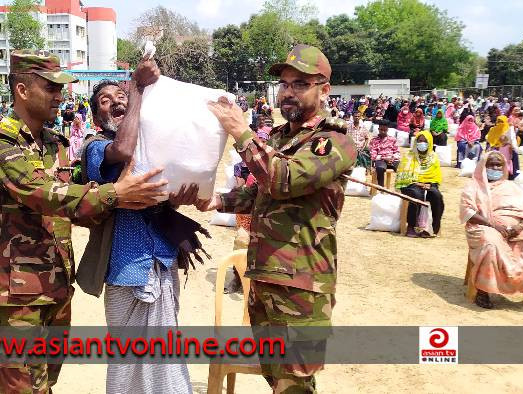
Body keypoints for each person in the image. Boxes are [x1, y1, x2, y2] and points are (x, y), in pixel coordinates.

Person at [0, 50, 167, 394]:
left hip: (57, 286)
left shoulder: (56, 145)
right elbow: (43, 193)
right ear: (22, 90)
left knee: (45, 382)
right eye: (51, 88)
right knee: (20, 388)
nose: (60, 96)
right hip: (16, 294)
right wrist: (115, 194)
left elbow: (81, 202)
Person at [198, 44, 356, 393]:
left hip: (301, 287)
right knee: (276, 378)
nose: (287, 92)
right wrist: (217, 200)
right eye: (284, 83)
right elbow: (262, 193)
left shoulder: (335, 141)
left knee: (295, 384)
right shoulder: (281, 137)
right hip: (266, 280)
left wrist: (242, 133)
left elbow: (283, 180)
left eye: (300, 83)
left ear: (324, 90)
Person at [76, 70, 205, 393]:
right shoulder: (96, 146)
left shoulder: (153, 147)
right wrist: (135, 92)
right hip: (125, 269)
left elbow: (171, 183)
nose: (117, 103)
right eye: (106, 101)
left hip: (162, 260)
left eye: (121, 98)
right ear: (95, 116)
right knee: (127, 362)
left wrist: (184, 193)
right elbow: (122, 149)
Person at [461, 151, 523, 311]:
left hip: (517, 229)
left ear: (505, 167)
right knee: (490, 244)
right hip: (486, 227)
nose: (495, 168)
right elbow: (468, 212)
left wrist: (520, 226)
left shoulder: (512, 186)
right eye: (491, 164)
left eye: (499, 165)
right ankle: (483, 290)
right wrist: (494, 226)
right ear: (484, 166)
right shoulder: (474, 186)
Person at [395, 131, 444, 237]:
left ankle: (432, 227)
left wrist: (430, 185)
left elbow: (435, 177)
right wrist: (417, 183)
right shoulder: (409, 155)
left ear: (430, 143)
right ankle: (412, 226)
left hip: (428, 184)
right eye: (420, 141)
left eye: (425, 141)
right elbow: (403, 175)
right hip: (411, 184)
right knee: (417, 195)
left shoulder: (433, 157)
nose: (422, 143)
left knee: (437, 195)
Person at [370, 120, 400, 187]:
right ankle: (381, 188)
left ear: (387, 129)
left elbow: (397, 152)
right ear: (378, 129)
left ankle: (400, 189)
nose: (383, 131)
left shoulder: (393, 139)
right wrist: (384, 158)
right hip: (381, 160)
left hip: (392, 160)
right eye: (381, 130)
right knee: (380, 168)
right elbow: (373, 156)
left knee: (403, 168)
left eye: (385, 130)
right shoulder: (374, 140)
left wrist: (392, 158)